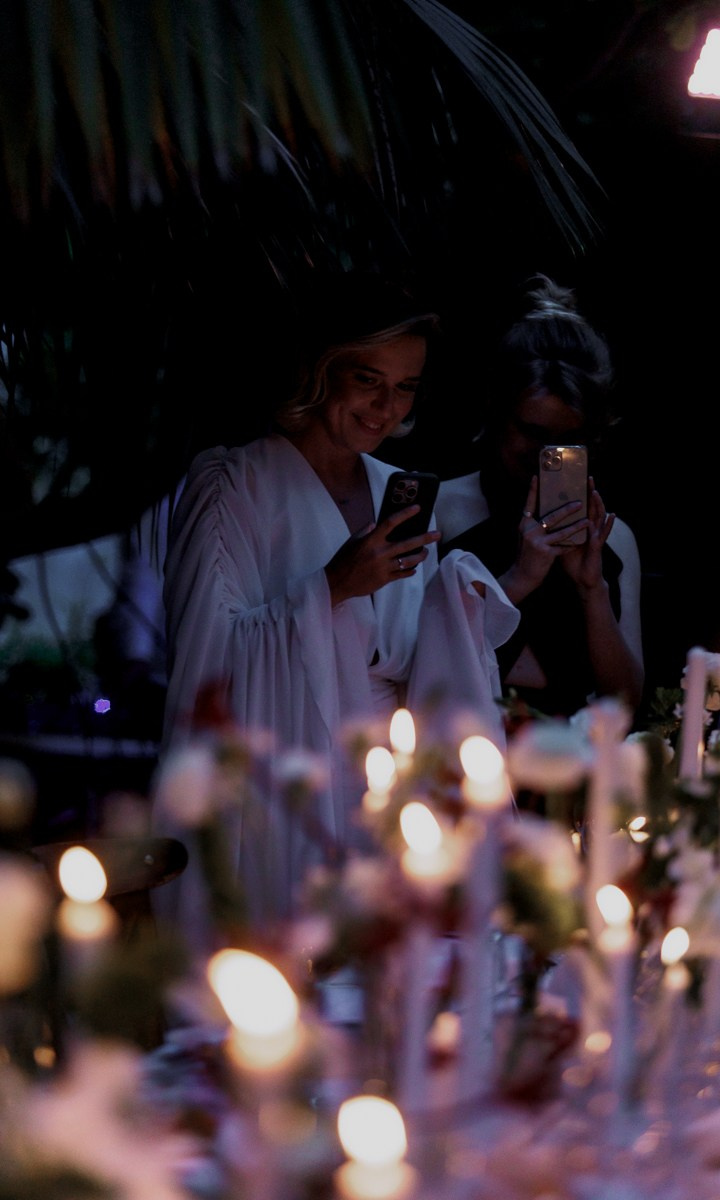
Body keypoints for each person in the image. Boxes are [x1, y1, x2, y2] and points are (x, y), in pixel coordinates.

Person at [150, 272, 518, 948]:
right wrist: (332, 587)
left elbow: (416, 659)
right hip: (281, 793)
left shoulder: (398, 491)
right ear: (320, 372)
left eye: (406, 386)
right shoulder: (234, 484)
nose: (386, 407)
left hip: (386, 803)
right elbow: (205, 665)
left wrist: (462, 599)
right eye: (367, 379)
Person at [436, 274, 644, 725]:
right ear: (496, 411)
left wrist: (592, 590)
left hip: (568, 766)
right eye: (531, 433)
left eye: (568, 441)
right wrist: (517, 580)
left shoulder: (613, 539)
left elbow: (625, 703)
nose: (543, 457)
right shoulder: (443, 512)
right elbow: (419, 669)